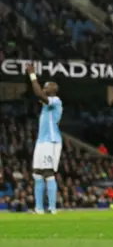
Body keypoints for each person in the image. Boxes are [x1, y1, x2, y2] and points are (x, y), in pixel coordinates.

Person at [26, 63, 62, 215]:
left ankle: (52, 209)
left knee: (48, 173)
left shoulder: (56, 101)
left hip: (51, 142)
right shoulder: (45, 107)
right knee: (37, 174)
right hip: (41, 142)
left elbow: (39, 94)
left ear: (51, 90)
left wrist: (32, 75)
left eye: (46, 87)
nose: (44, 89)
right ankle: (39, 209)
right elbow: (39, 96)